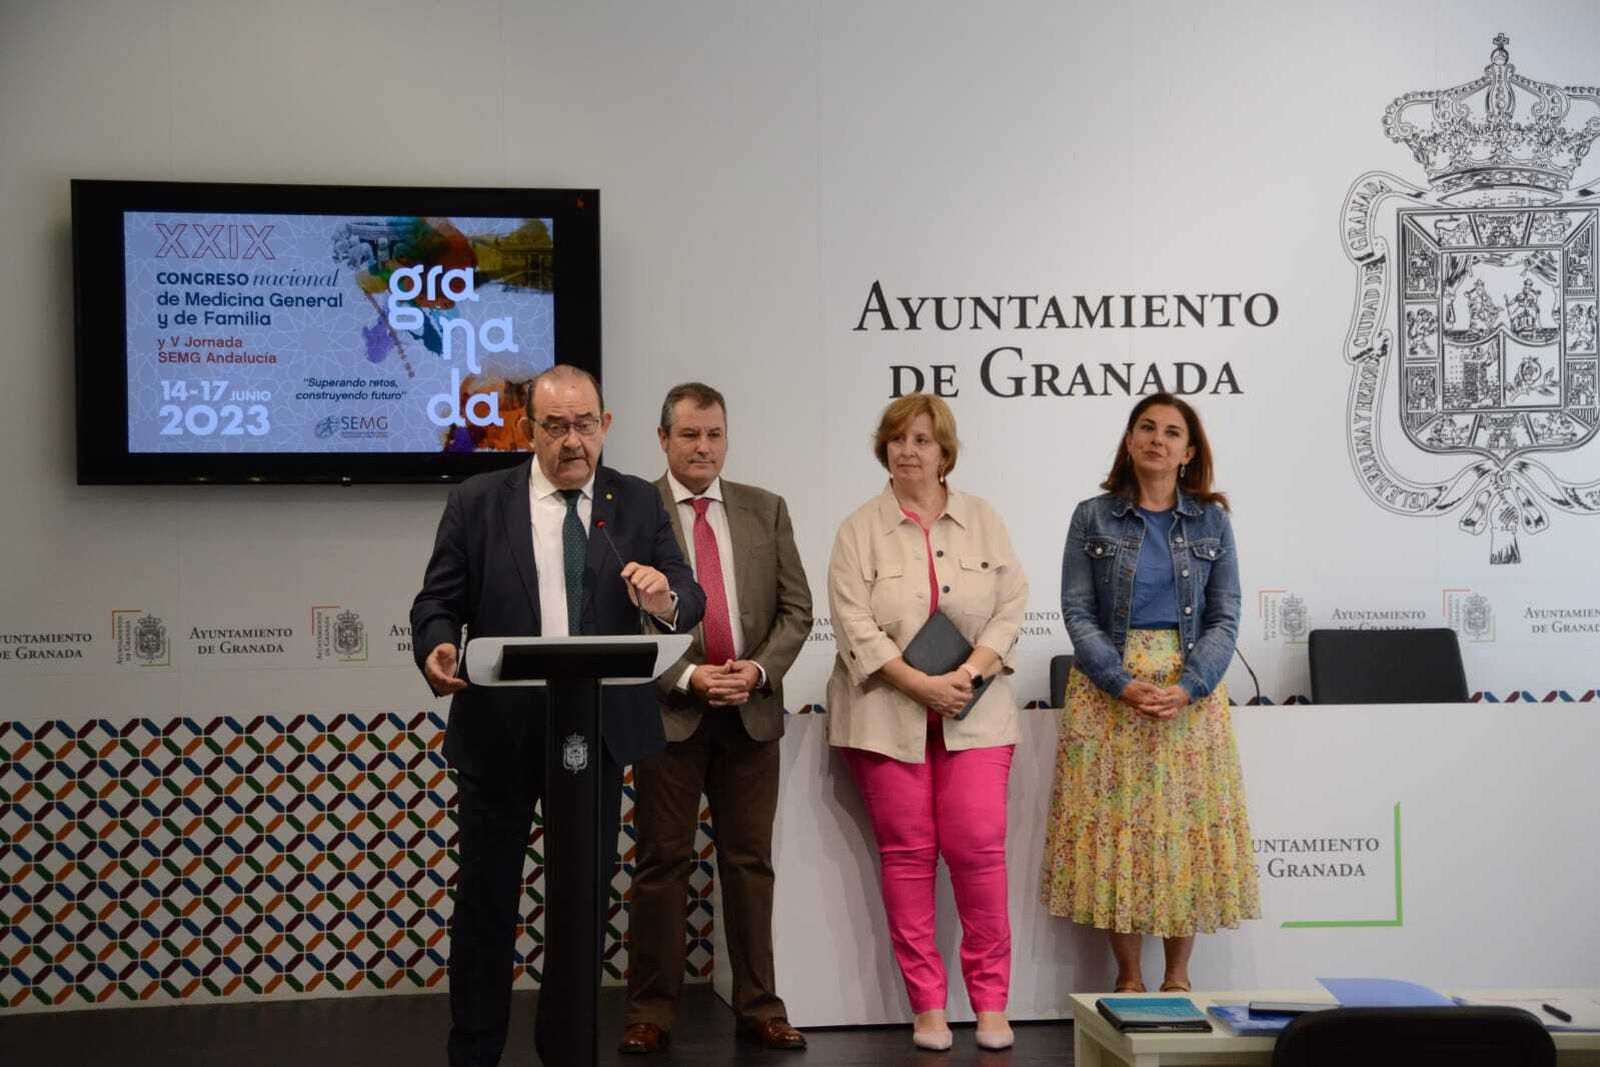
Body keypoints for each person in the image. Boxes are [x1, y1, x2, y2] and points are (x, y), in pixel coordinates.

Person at [410, 365, 706, 1067]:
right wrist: (437, 644)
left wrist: (663, 596)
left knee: (580, 906)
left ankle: (568, 1050)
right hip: (500, 734)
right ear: (529, 429)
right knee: (487, 905)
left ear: (606, 425)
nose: (573, 441)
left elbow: (686, 598)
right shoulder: (479, 501)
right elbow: (435, 602)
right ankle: (475, 1051)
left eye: (585, 424)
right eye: (556, 426)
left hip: (593, 733)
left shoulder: (634, 502)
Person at [825, 393, 1028, 1052]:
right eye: (896, 438)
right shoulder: (859, 528)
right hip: (886, 716)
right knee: (908, 857)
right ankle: (929, 1006)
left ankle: (992, 1002)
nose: (906, 449)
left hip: (977, 713)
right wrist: (919, 684)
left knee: (977, 848)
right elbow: (853, 621)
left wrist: (966, 675)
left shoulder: (984, 519)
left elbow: (1012, 602)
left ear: (946, 451)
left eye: (921, 438)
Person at [1040, 392, 1260, 994]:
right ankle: (1130, 978)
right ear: (1130, 441)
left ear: (1189, 452)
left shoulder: (1212, 520)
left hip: (1189, 689)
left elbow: (1226, 613)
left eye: (1171, 432)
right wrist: (1117, 680)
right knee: (1122, 832)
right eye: (1146, 428)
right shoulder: (1093, 517)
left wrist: (1190, 686)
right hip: (1111, 692)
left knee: (1182, 831)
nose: (1157, 440)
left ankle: (1179, 980)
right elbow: (1077, 610)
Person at [620, 383, 814, 1054]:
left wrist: (757, 671)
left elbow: (797, 612)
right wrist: (688, 675)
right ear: (663, 438)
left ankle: (759, 1006)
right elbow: (621, 623)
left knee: (749, 863)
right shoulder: (630, 513)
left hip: (751, 715)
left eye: (713, 434)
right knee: (661, 866)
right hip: (669, 715)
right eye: (689, 435)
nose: (703, 447)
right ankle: (651, 1010)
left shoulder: (767, 509)